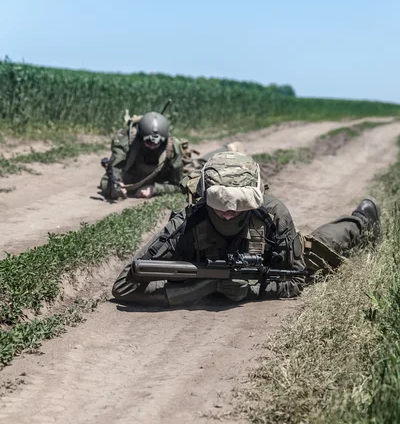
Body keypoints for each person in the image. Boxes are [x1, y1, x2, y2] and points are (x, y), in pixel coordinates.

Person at [111, 151, 380, 307]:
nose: (228, 212)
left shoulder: (274, 215)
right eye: (220, 204)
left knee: (320, 246)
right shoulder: (186, 224)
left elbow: (296, 280)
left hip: (268, 264)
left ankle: (362, 220)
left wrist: (249, 291)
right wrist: (201, 287)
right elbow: (123, 286)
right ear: (205, 195)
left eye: (239, 204)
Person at [99, 111, 196, 200]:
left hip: (161, 178)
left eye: (156, 144)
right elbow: (109, 176)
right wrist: (116, 185)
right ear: (140, 138)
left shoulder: (172, 149)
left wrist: (155, 189)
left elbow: (179, 184)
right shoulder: (126, 143)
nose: (152, 147)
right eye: (148, 142)